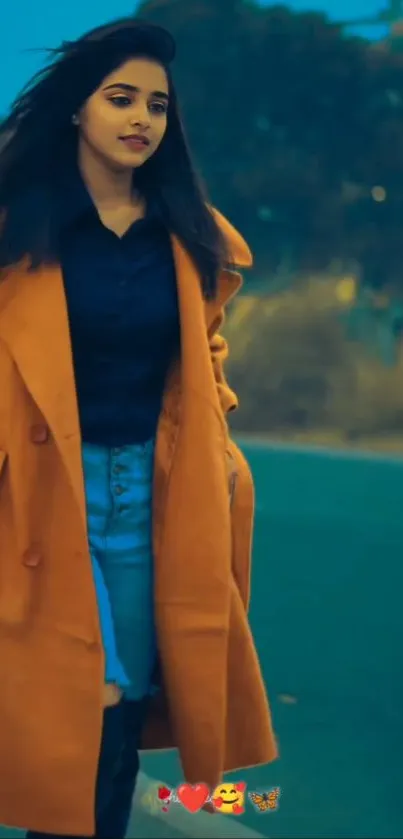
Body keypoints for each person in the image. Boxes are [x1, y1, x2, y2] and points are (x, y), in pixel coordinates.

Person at [0, 17, 278, 839]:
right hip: (40, 498)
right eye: (120, 98)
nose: (140, 119)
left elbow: (205, 352)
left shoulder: (187, 235)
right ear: (77, 112)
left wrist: (219, 444)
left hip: (149, 502)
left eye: (156, 105)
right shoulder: (18, 232)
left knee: (123, 714)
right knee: (76, 701)